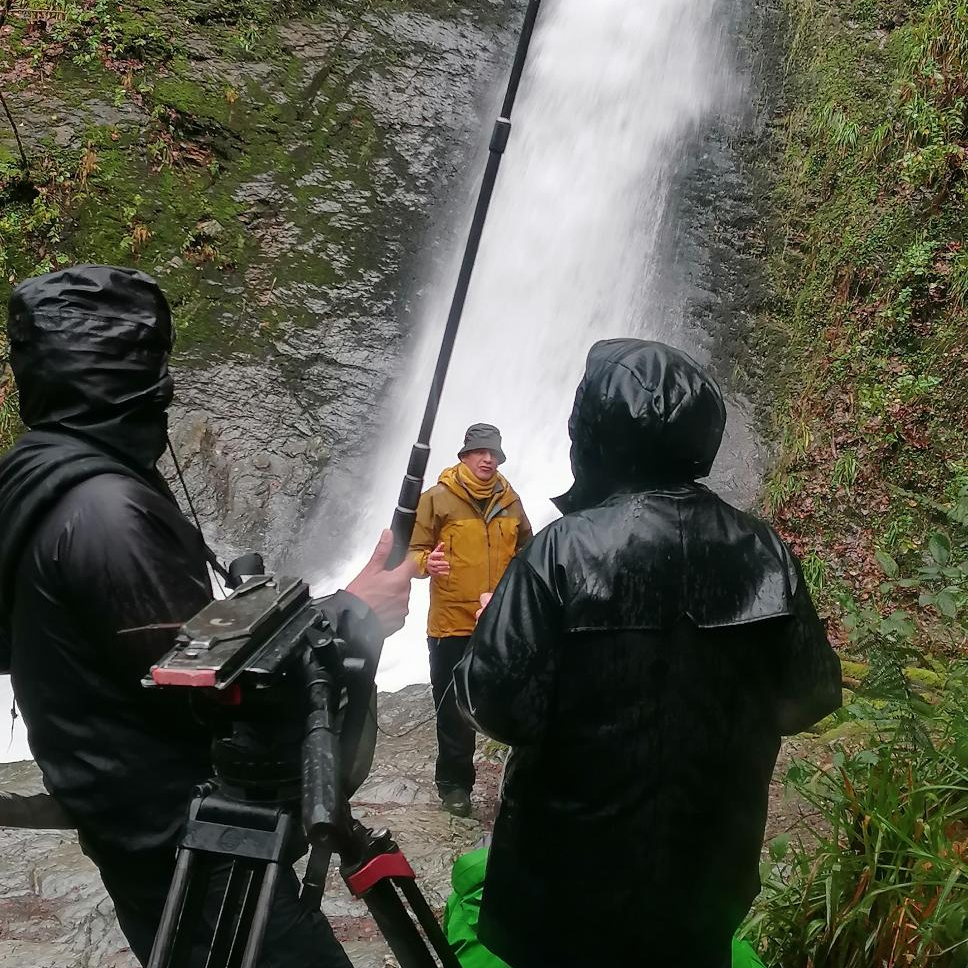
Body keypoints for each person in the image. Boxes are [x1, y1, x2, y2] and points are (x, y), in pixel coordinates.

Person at [0, 265, 416, 968]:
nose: (167, 389)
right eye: (156, 367)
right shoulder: (108, 518)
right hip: (197, 852)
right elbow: (217, 693)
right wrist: (356, 611)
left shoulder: (34, 476)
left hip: (129, 828)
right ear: (130, 378)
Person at [455, 339, 843, 968]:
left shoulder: (560, 552)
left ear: (597, 431)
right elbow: (813, 695)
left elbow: (495, 707)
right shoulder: (764, 552)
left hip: (562, 886)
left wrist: (491, 634)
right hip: (709, 878)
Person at [409, 424, 532, 817]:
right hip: (450, 626)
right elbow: (408, 553)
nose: (487, 459)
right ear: (464, 456)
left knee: (513, 701)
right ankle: (454, 786)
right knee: (452, 708)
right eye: (480, 452)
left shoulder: (511, 502)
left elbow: (529, 555)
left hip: (499, 622)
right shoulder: (437, 500)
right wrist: (427, 563)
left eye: (493, 453)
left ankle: (519, 779)